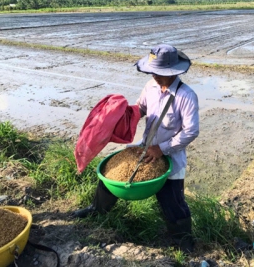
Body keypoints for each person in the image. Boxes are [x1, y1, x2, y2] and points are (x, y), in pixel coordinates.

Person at [72, 44, 200, 253]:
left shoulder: (186, 96)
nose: (154, 76)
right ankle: (96, 210)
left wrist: (162, 149)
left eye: (159, 73)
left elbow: (191, 131)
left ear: (173, 72)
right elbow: (141, 108)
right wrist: (118, 116)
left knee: (173, 202)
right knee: (112, 175)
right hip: (144, 149)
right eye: (152, 72)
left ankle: (184, 240)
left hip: (170, 156)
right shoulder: (150, 86)